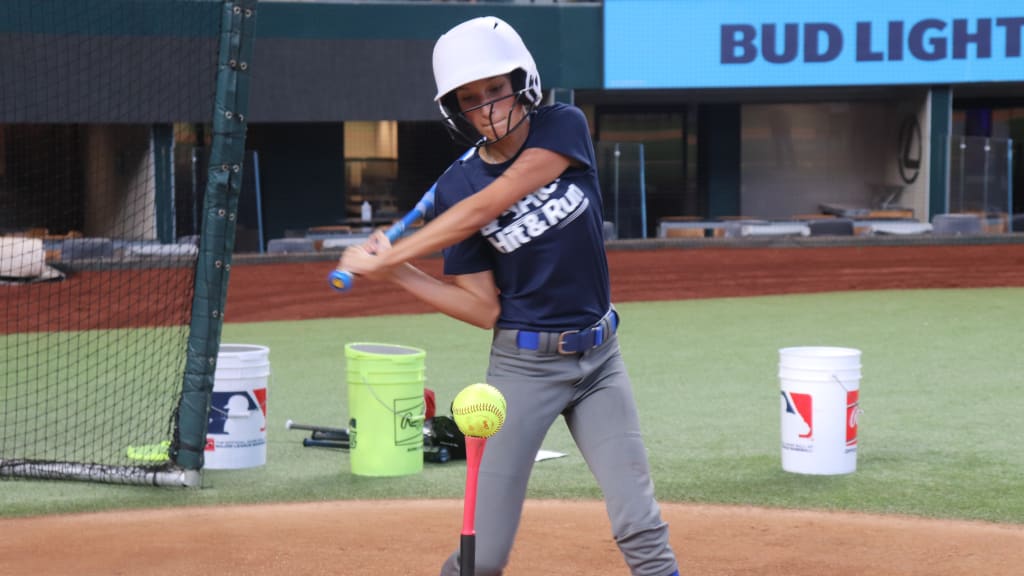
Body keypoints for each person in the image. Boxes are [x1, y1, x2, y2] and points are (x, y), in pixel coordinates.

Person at [339, 16, 680, 576]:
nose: (488, 107)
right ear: (457, 110)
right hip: (523, 370)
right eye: (470, 99)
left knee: (638, 521)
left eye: (495, 89)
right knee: (484, 556)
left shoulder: (561, 127)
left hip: (601, 362)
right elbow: (482, 307)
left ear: (522, 82)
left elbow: (493, 202)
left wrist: (395, 253)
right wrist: (395, 275)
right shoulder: (455, 186)